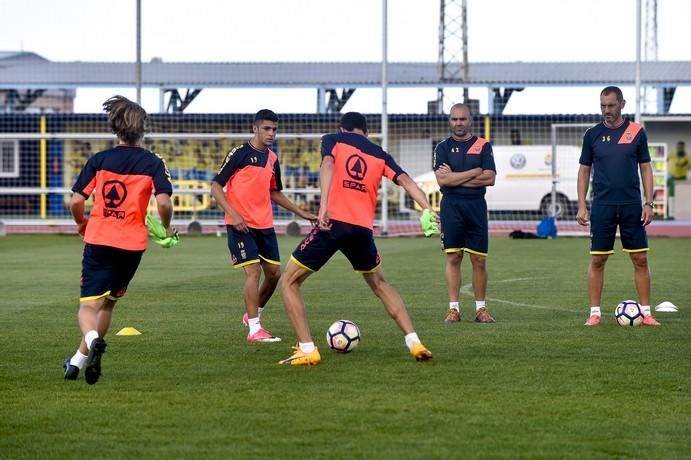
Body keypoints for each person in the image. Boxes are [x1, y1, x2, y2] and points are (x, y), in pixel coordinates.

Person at [278, 112, 436, 366]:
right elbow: (406, 180)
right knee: (381, 285)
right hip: (362, 230)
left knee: (288, 281)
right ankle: (414, 342)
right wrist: (427, 208)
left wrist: (324, 206)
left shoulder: (333, 139)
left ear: (343, 128)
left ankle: (307, 349)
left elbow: (328, 165)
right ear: (366, 132)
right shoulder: (379, 154)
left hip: (334, 224)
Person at [63, 95, 176, 384]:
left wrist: (81, 223)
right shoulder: (153, 162)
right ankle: (77, 360)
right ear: (143, 129)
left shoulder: (100, 160)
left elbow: (76, 200)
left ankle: (91, 339)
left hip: (99, 239)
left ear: (115, 128)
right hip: (132, 245)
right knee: (109, 304)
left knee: (88, 306)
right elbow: (164, 204)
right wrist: (166, 229)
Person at [210, 109, 317, 343]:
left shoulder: (272, 159)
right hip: (240, 225)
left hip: (264, 226)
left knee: (274, 275)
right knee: (253, 271)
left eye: (275, 129)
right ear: (255, 128)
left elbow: (275, 192)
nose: (271, 133)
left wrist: (302, 213)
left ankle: (252, 315)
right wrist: (233, 213)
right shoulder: (239, 153)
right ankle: (255, 329)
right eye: (267, 129)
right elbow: (216, 186)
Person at [577, 86, 660, 326]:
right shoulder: (591, 134)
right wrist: (582, 205)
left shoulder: (636, 132)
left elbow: (645, 167)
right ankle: (594, 313)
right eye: (603, 105)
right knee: (597, 260)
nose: (606, 110)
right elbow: (584, 171)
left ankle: (646, 313)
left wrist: (649, 202)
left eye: (611, 105)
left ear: (622, 104)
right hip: (602, 206)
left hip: (632, 206)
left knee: (640, 259)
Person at [433, 103, 497, 324]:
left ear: (470, 121)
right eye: (454, 119)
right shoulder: (442, 147)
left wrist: (456, 177)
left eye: (462, 119)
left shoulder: (483, 146)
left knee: (478, 260)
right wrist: (473, 172)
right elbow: (443, 180)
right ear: (450, 121)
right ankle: (453, 309)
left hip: (476, 206)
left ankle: (481, 309)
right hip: (451, 206)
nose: (458, 123)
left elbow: (490, 178)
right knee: (454, 256)